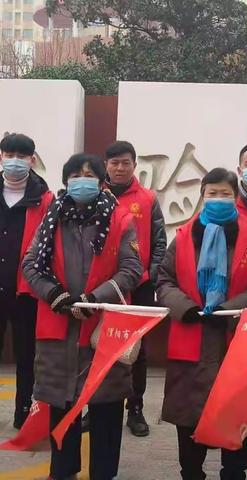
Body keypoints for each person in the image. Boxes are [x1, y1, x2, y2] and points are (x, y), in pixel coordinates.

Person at [23, 153, 143, 480]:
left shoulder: (119, 219)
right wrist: (54, 295)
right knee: (62, 411)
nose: (82, 179)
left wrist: (95, 298)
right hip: (59, 326)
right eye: (75, 174)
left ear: (101, 180)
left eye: (89, 174)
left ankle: (104, 474)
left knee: (106, 410)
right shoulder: (51, 217)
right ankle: (63, 472)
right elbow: (31, 265)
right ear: (66, 181)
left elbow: (132, 269)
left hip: (103, 329)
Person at [157, 168, 247, 480]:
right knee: (189, 417)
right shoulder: (183, 236)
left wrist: (228, 309)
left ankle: (233, 473)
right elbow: (164, 280)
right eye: (212, 193)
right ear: (202, 196)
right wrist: (186, 308)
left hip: (235, 340)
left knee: (236, 415)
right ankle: (192, 473)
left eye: (225, 194)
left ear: (235, 198)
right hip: (191, 338)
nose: (219, 199)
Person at [97, 140, 165, 437]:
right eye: (114, 163)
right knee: (98, 345)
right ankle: (96, 405)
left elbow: (160, 242)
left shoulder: (148, 199)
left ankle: (134, 408)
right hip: (102, 287)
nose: (120, 167)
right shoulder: (96, 195)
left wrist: (152, 275)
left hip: (139, 285)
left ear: (134, 165)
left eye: (126, 162)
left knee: (137, 350)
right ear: (106, 166)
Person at [0, 133, 54, 429]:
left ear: (32, 159)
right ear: (1, 156)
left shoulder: (44, 198)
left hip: (26, 292)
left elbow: (50, 246)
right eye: (10, 154)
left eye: (22, 155)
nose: (16, 160)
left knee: (26, 356)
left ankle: (24, 412)